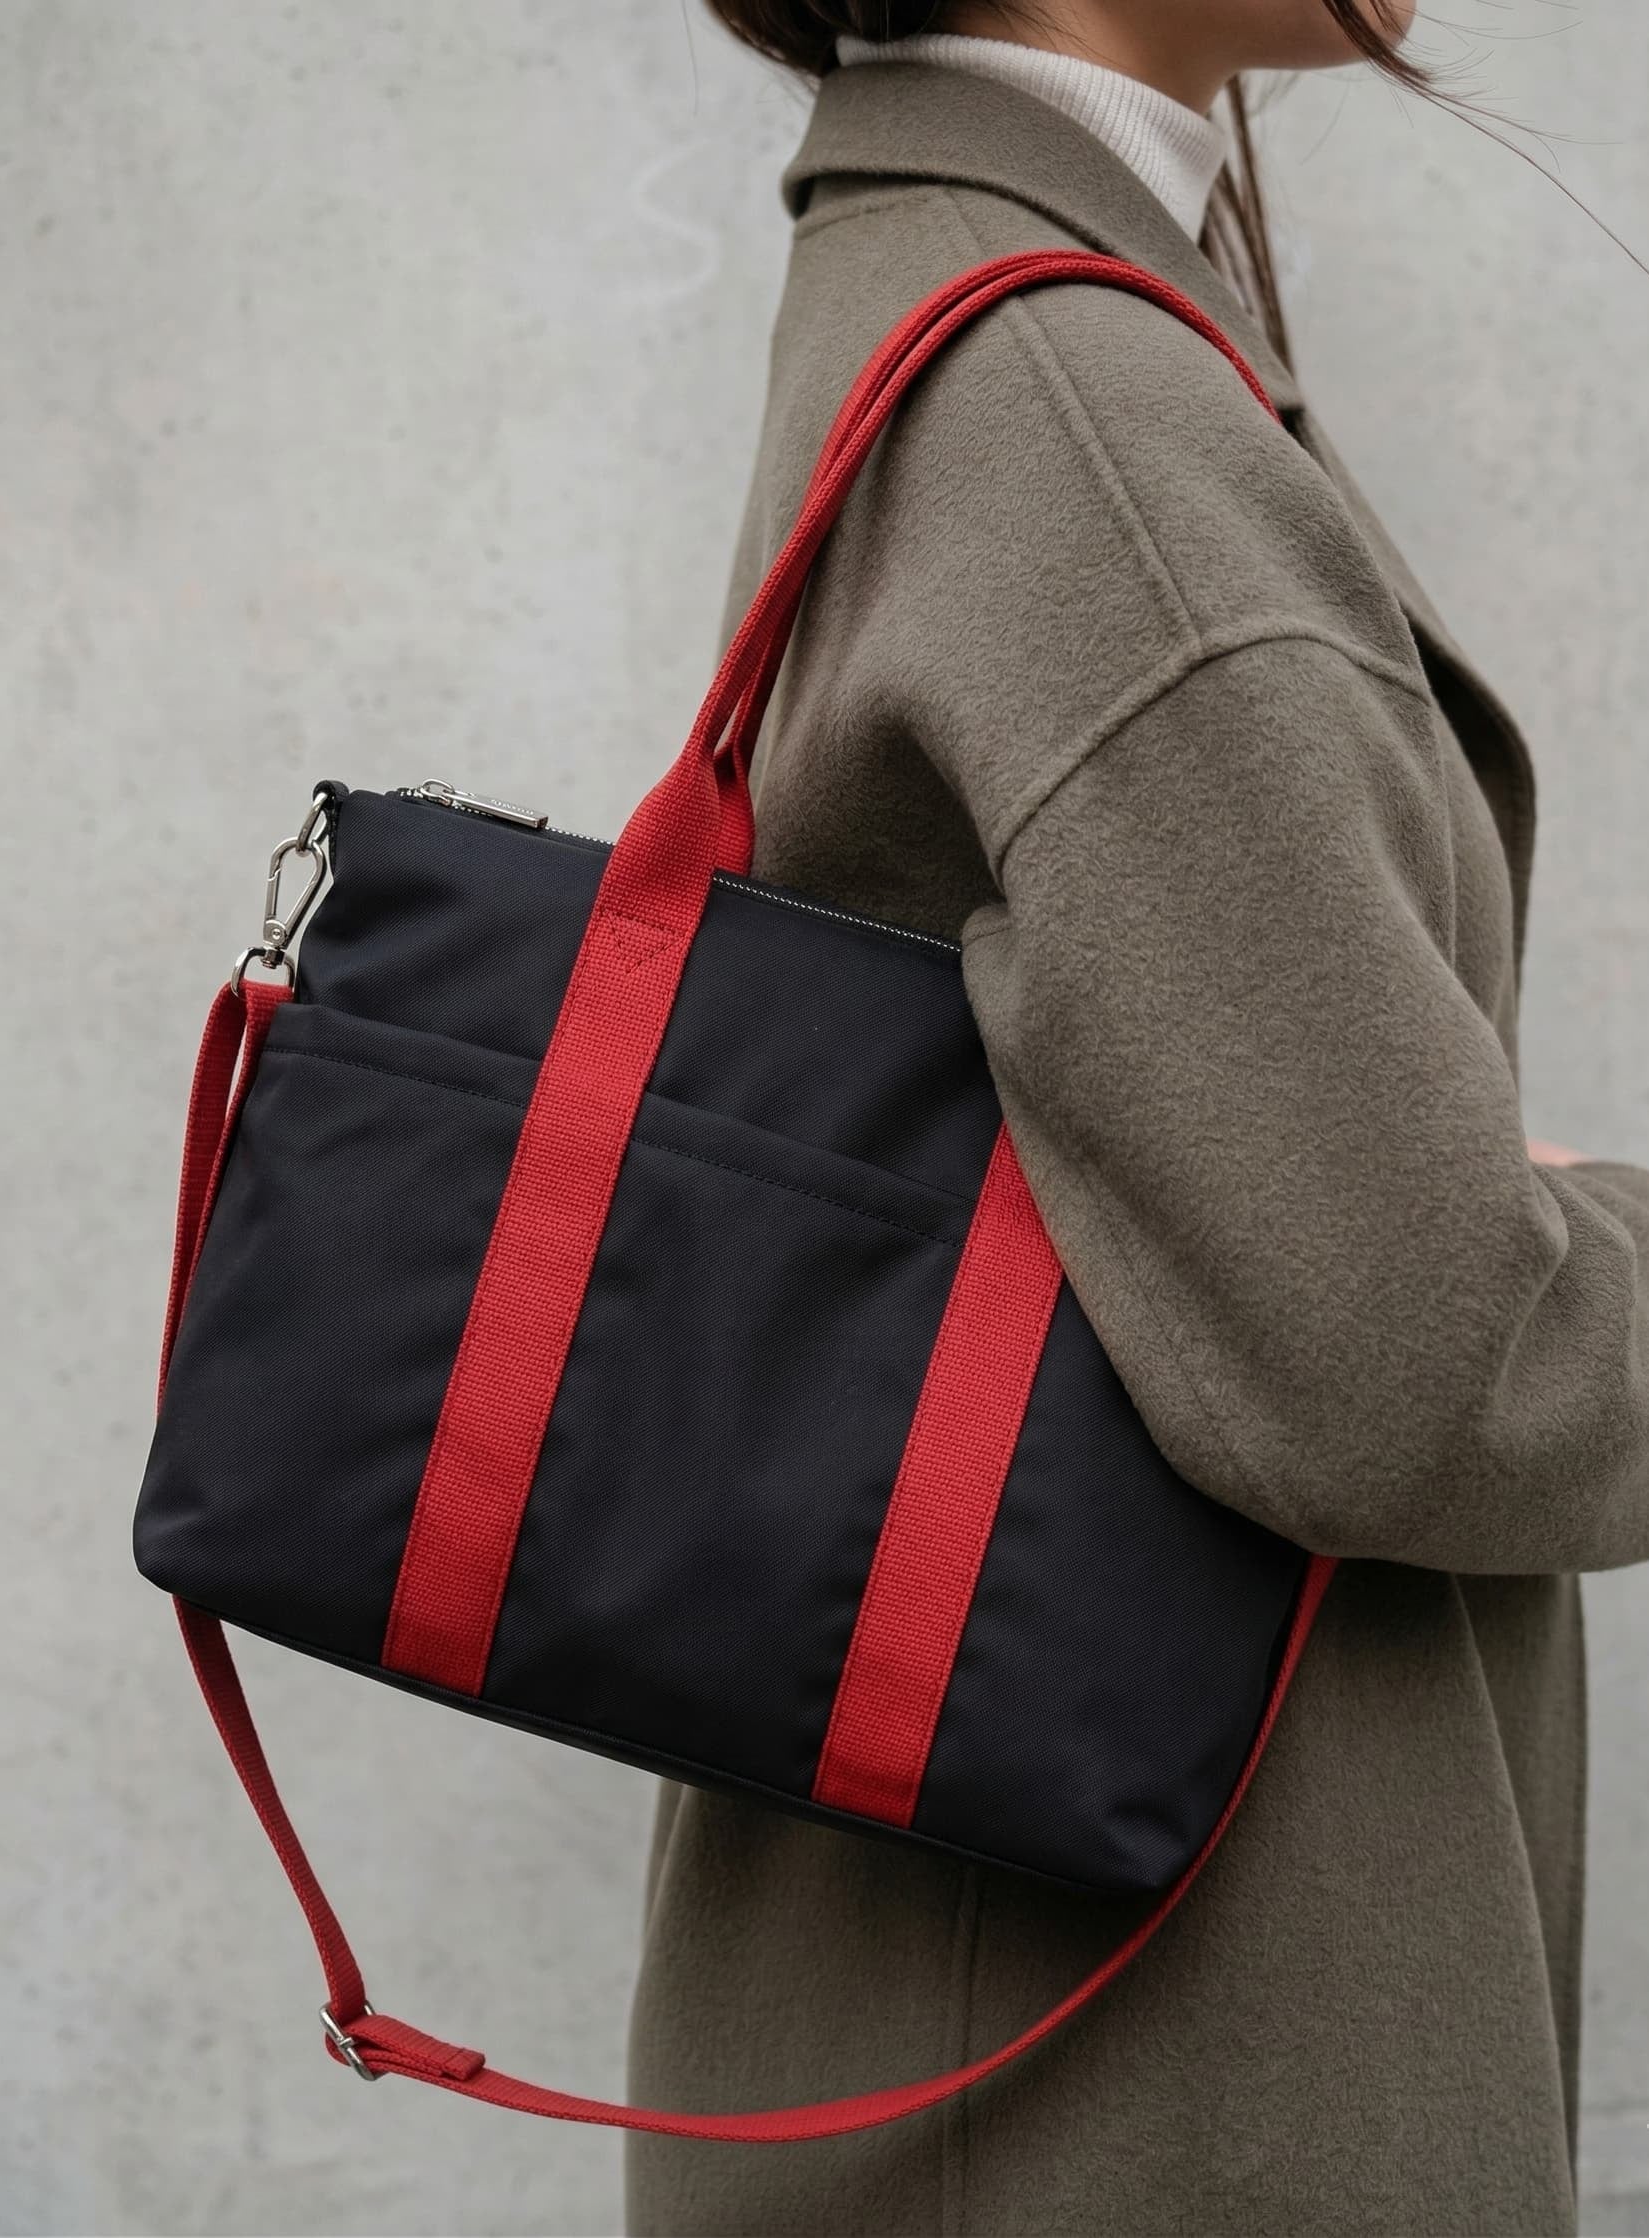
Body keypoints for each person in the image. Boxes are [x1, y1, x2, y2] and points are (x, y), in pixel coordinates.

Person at [623, 5, 1649, 2233]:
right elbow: (1412, 1362)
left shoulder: (957, 288)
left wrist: (1407, 1174)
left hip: (1045, 2012)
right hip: (1162, 2082)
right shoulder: (1074, 403)